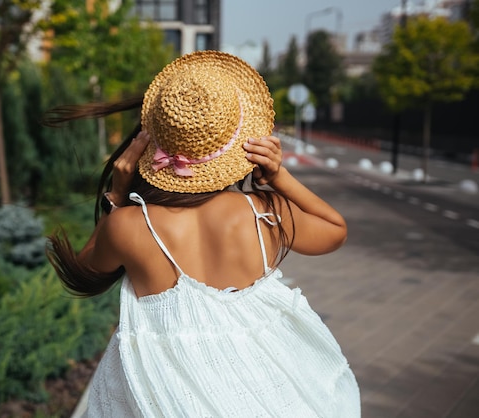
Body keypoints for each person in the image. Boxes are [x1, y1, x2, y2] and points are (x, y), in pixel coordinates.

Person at [44, 51, 360, 417]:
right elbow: (335, 230)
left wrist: (116, 195)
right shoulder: (263, 213)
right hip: (265, 387)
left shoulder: (128, 224)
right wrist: (280, 178)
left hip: (167, 397)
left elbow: (86, 272)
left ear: (150, 145)